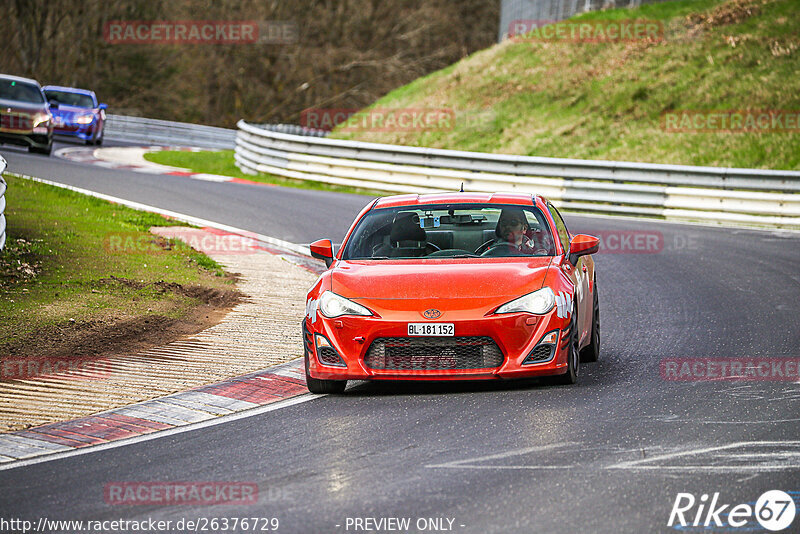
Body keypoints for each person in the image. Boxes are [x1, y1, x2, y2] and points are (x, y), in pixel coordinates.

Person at [484, 208, 554, 256]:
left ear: (524, 228)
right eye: (504, 222)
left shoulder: (536, 249)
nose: (507, 226)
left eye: (513, 223)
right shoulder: (490, 248)